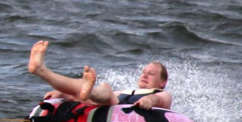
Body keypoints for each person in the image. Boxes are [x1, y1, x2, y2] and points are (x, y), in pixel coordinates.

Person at [26, 40, 173, 109]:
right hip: (109, 107)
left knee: (105, 90)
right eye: (144, 72)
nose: (145, 76)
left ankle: (42, 71)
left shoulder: (162, 94)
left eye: (151, 74)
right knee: (89, 94)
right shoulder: (127, 91)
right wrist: (64, 95)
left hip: (127, 112)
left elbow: (156, 99)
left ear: (162, 82)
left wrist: (149, 101)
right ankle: (41, 70)